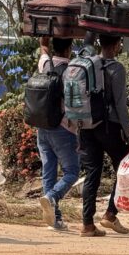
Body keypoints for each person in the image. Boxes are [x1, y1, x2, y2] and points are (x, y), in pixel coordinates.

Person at [78, 33, 129, 237]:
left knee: (92, 173)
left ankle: (87, 224)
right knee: (124, 169)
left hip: (86, 125)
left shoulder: (89, 64)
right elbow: (120, 104)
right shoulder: (116, 68)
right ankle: (110, 214)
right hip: (109, 126)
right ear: (117, 44)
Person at [36, 36, 78, 232]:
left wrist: (44, 40)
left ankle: (55, 220)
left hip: (42, 126)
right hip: (63, 128)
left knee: (49, 171)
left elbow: (43, 49)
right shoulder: (73, 70)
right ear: (69, 48)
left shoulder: (46, 63)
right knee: (72, 171)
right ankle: (52, 197)